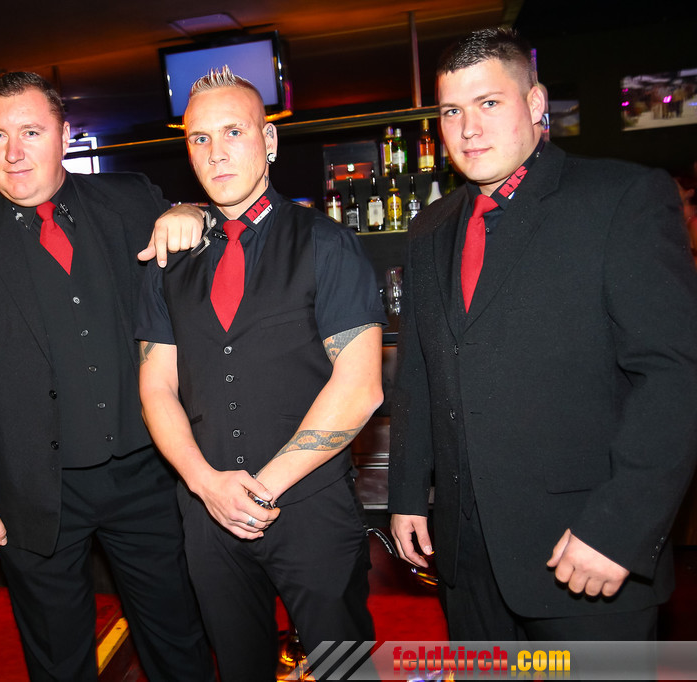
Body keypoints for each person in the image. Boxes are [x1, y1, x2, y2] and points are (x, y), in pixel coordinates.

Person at [388, 27, 697, 641]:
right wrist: (407, 494)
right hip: (464, 554)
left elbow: (674, 376)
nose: (468, 129)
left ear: (535, 104)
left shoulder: (619, 199)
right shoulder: (430, 229)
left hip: (584, 548)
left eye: (488, 103)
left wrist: (620, 528)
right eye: (451, 111)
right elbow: (420, 375)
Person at [0, 71, 213, 682]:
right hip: (28, 485)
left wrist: (191, 210)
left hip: (145, 471)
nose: (13, 152)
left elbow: (204, 236)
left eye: (31, 132)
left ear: (65, 137)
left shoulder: (131, 198)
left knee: (177, 637)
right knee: (57, 658)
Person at [136, 66, 384, 682]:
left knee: (344, 668)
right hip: (206, 510)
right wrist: (205, 485)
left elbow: (360, 387)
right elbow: (155, 386)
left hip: (312, 507)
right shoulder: (167, 259)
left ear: (269, 141)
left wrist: (260, 490)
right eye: (199, 138)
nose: (216, 152)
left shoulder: (325, 243)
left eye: (234, 132)